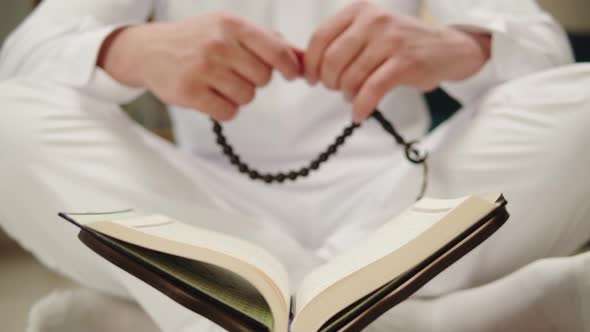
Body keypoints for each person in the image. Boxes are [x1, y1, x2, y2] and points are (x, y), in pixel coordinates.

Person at [0, 1, 588, 331]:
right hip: (211, 218)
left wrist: (463, 47)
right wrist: (128, 50)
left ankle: (200, 313)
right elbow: (25, 58)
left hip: (403, 211)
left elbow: (544, 51)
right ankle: (417, 318)